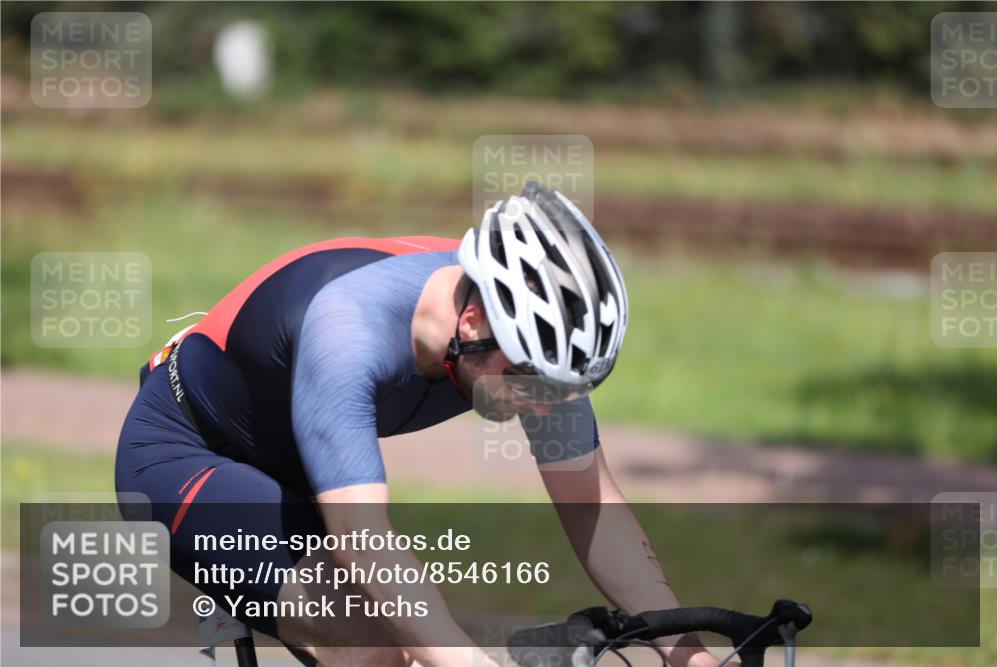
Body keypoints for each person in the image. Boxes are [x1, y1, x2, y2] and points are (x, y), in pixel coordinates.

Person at [116, 182, 721, 667]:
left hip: (294, 457)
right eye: (530, 383)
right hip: (188, 457)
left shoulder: (527, 345)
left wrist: (684, 647)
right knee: (377, 643)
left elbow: (588, 504)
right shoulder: (344, 332)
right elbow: (363, 538)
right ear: (473, 320)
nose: (544, 406)